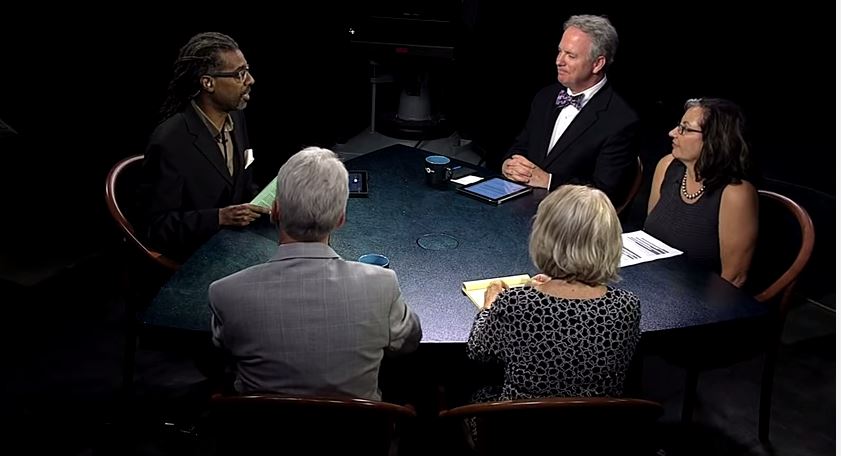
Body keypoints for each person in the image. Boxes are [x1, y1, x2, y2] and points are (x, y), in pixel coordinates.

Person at [208, 147, 422, 400]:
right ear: (340, 219)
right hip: (361, 437)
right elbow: (408, 342)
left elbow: (224, 347)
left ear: (275, 211)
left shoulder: (225, 293)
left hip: (260, 436)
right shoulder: (382, 284)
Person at [467, 185, 641, 406]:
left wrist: (490, 305)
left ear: (545, 237)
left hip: (517, 431)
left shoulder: (516, 303)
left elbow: (478, 350)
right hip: (596, 432)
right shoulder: (627, 307)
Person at [140, 32, 268, 262]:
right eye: (240, 74)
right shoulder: (170, 141)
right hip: (197, 259)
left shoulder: (237, 119)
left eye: (247, 70)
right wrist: (219, 217)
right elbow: (156, 228)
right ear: (208, 83)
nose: (250, 80)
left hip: (236, 245)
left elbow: (244, 183)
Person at [501, 14, 639, 205]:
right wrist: (509, 164)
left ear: (597, 63)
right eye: (560, 52)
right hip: (517, 204)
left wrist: (549, 181)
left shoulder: (620, 120)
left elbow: (606, 193)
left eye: (571, 55)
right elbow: (521, 145)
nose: (559, 61)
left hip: (569, 223)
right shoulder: (545, 97)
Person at [645, 98, 758, 287]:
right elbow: (649, 240)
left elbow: (733, 278)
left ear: (715, 138)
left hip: (698, 298)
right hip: (652, 282)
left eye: (685, 129)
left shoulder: (735, 194)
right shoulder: (666, 166)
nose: (672, 133)